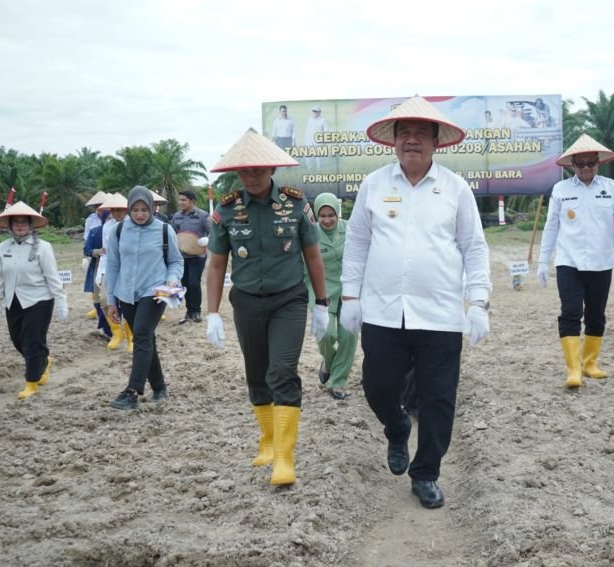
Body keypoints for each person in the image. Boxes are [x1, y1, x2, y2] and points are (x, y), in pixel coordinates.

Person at [341, 96, 491, 509]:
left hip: (440, 313)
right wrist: (350, 296)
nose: (411, 140)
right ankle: (395, 427)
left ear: (436, 142)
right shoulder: (374, 185)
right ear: (393, 141)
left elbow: (474, 248)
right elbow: (356, 244)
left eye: (420, 133)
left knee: (439, 397)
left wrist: (478, 301)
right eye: (403, 133)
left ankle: (426, 473)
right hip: (383, 311)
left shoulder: (456, 190)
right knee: (378, 386)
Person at [205, 127, 328, 486]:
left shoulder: (295, 204)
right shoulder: (227, 210)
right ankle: (269, 441)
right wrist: (212, 313)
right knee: (257, 373)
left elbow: (312, 256)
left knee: (281, 370)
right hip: (245, 302)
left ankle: (285, 459)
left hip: (288, 300)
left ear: (272, 170)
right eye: (244, 171)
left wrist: (321, 303)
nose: (251, 176)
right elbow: (215, 265)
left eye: (258, 169)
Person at [537, 134, 614, 388]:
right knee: (570, 312)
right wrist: (542, 260)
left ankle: (590, 363)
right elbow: (551, 227)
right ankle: (573, 369)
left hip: (601, 261)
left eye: (589, 163)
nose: (585, 168)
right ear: (572, 165)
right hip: (568, 261)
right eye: (579, 164)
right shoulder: (561, 190)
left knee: (596, 314)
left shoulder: (611, 188)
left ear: (597, 163)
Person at [105, 186, 183, 410]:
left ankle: (132, 391)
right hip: (126, 293)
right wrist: (111, 301)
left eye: (144, 210)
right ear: (129, 209)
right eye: (135, 210)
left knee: (141, 335)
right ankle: (159, 387)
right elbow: (113, 266)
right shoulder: (118, 231)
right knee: (145, 338)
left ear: (152, 208)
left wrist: (172, 279)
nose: (140, 214)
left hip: (155, 292)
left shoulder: (164, 230)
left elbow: (176, 262)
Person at [0, 202, 67, 399]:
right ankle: (44, 361)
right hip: (13, 301)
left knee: (33, 342)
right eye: (16, 222)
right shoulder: (3, 247)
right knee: (18, 341)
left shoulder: (43, 247)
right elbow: (0, 277)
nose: (20, 226)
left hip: (39, 300)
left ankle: (31, 382)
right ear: (10, 225)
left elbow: (52, 276)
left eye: (24, 223)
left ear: (31, 225)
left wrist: (61, 301)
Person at [306, 192, 356, 400]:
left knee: (348, 337)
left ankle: (338, 381)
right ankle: (328, 361)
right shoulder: (310, 233)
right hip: (321, 290)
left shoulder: (351, 230)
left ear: (338, 213)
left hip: (349, 289)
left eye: (331, 215)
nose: (327, 220)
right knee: (327, 334)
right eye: (322, 215)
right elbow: (304, 264)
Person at [96, 193, 134, 351]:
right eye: (113, 210)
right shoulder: (107, 225)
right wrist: (101, 272)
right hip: (109, 267)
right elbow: (106, 251)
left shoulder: (133, 225)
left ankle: (131, 336)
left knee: (127, 303)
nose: (116, 213)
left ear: (126, 210)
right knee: (104, 299)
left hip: (128, 268)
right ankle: (116, 332)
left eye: (120, 209)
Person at [171, 189, 211, 324]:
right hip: (181, 257)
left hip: (198, 256)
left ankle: (196, 311)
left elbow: (213, 232)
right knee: (185, 284)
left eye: (184, 200)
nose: (180, 202)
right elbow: (172, 234)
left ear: (192, 201)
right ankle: (188, 311)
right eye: (180, 200)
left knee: (194, 282)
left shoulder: (203, 216)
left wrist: (207, 240)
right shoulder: (176, 216)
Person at [82, 191, 108, 319]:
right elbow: (87, 240)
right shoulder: (91, 220)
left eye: (101, 205)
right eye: (96, 206)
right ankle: (97, 308)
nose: (99, 208)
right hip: (98, 258)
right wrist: (95, 252)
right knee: (95, 283)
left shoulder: (118, 220)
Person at [304, 105, 329, 171]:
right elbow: (307, 130)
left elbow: (326, 131)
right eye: (313, 111)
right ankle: (310, 170)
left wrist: (324, 142)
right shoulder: (309, 119)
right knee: (308, 156)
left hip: (319, 142)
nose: (314, 112)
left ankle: (319, 170)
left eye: (316, 111)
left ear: (319, 112)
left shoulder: (323, 120)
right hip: (309, 141)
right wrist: (306, 140)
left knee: (319, 157)